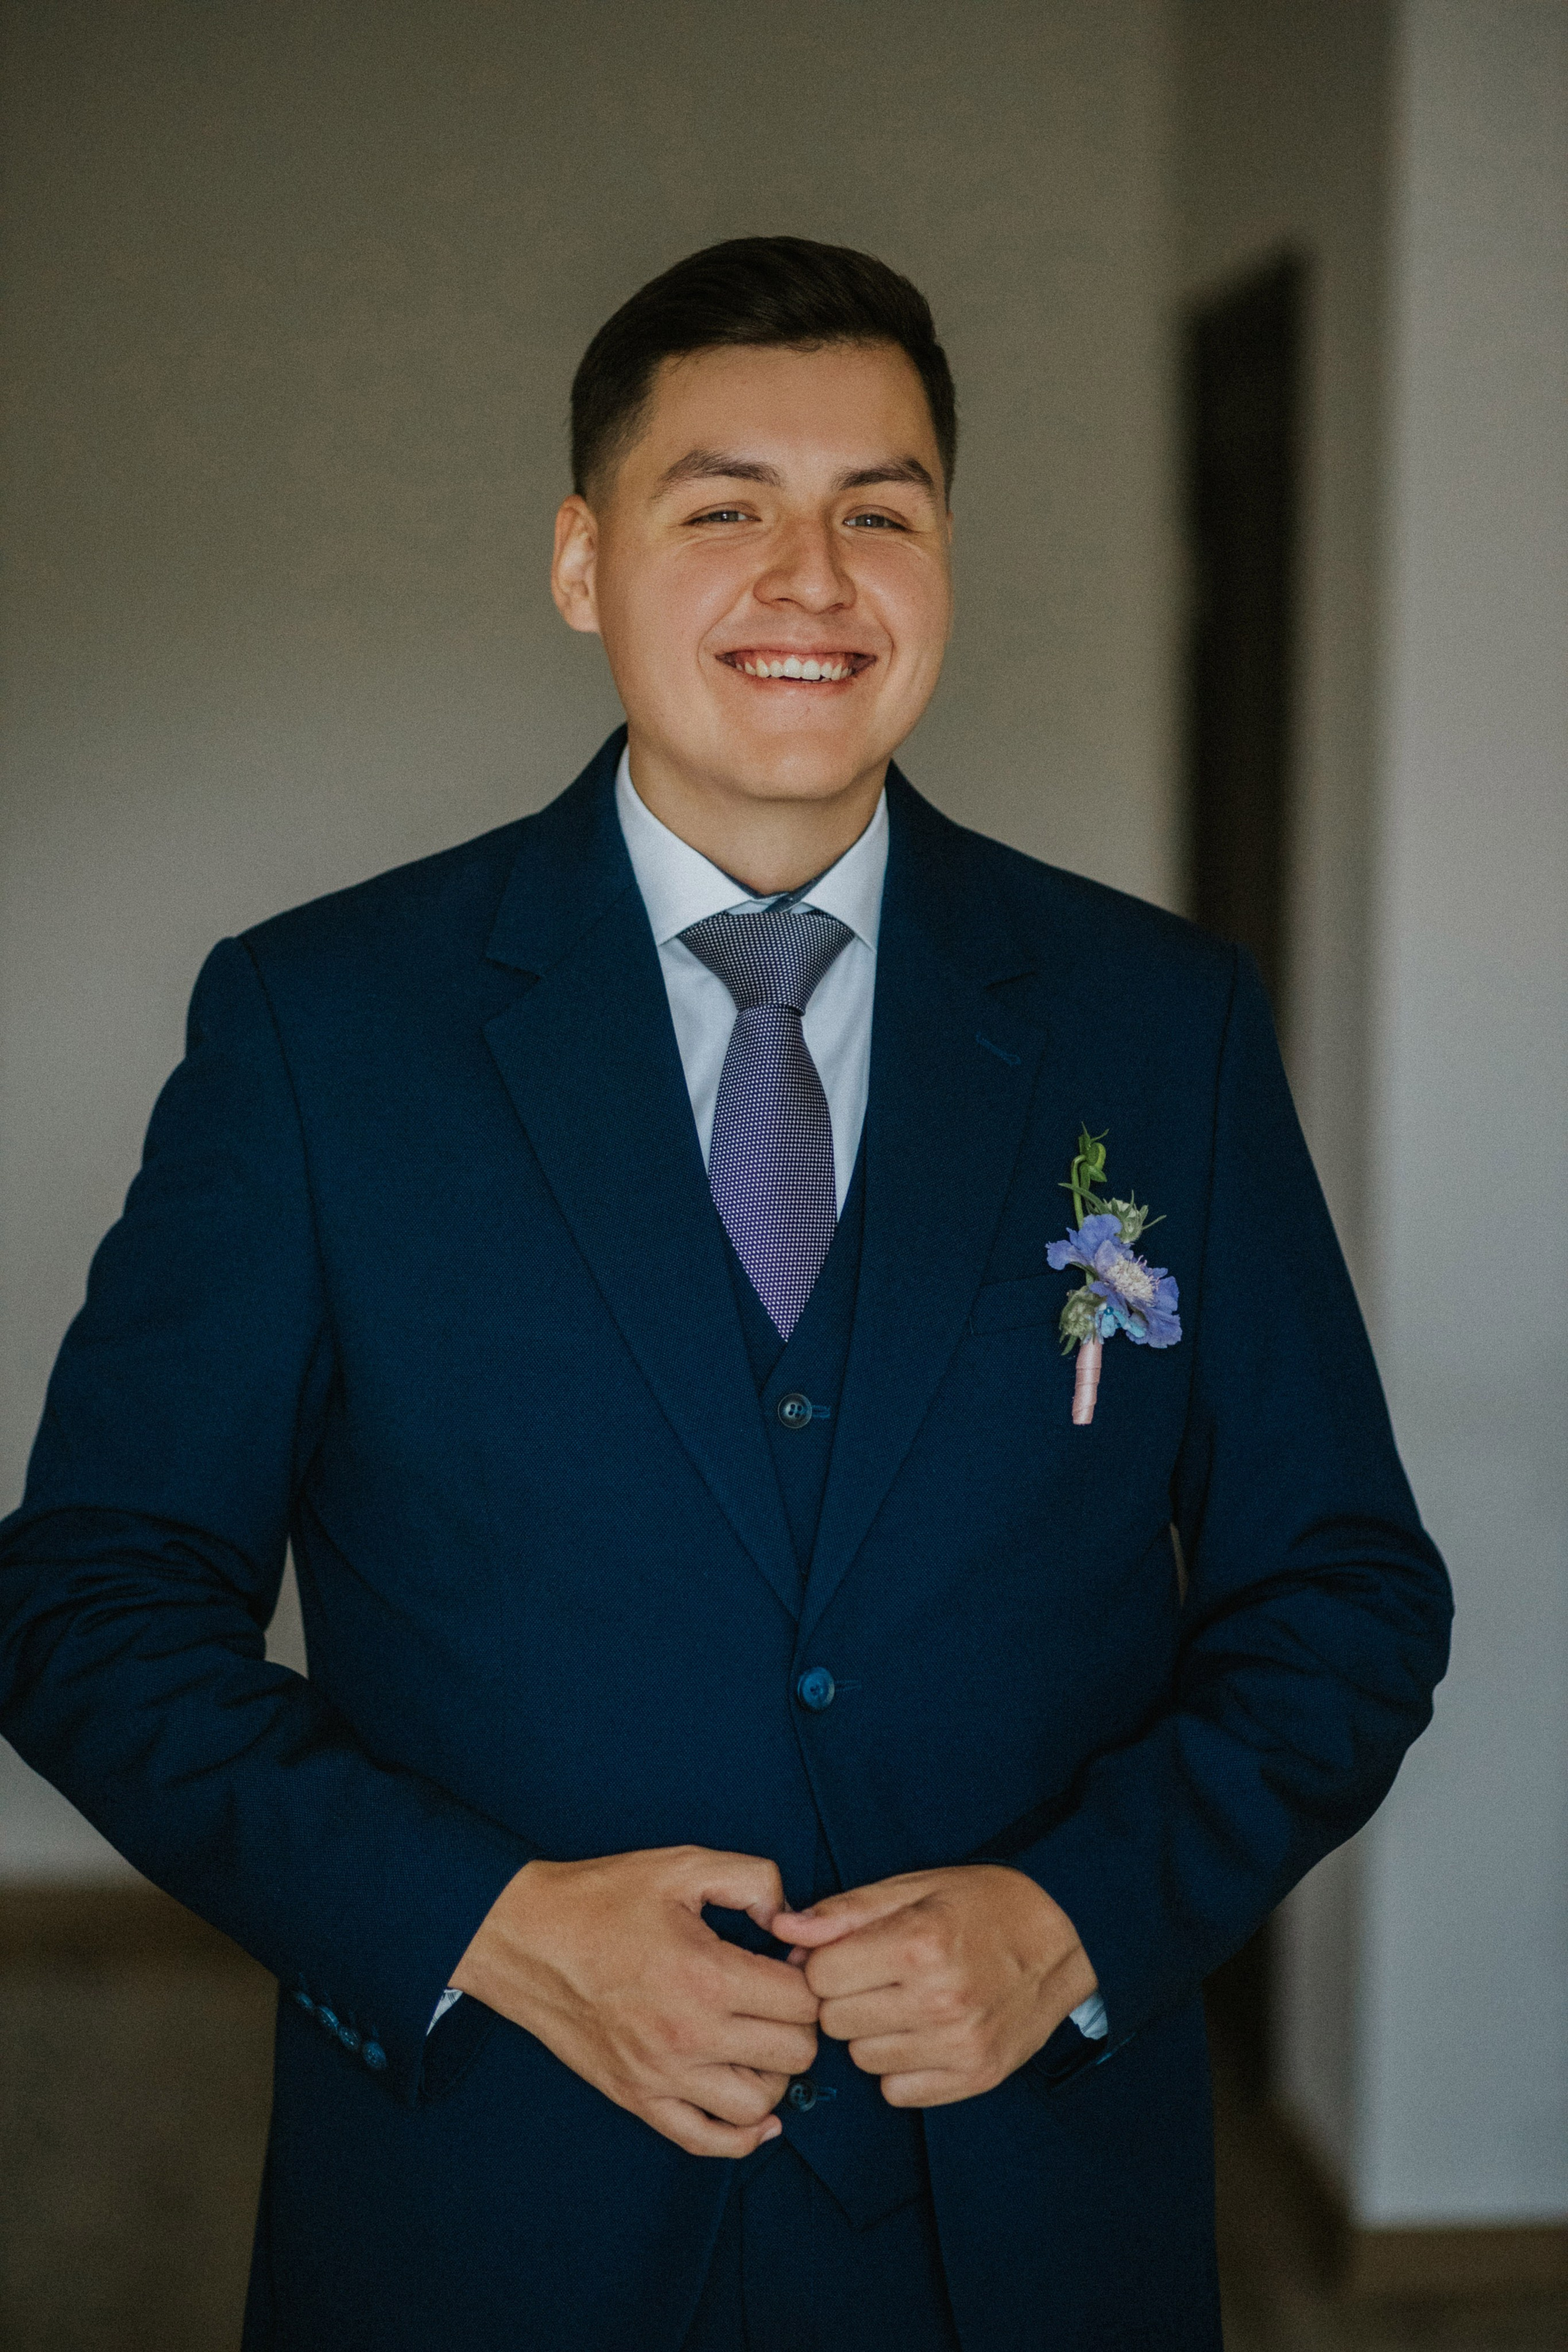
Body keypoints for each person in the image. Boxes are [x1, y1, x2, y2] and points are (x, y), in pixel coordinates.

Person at [0, 238, 1450, 2351]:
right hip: (496, 2210)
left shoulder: (1161, 1025)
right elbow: (89, 1602)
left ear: (944, 560)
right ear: (582, 563)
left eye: (881, 511)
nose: (813, 578)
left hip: (1025, 2219)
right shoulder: (324, 1030)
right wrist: (493, 1928)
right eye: (724, 509)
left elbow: (1345, 1592)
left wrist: (1073, 1919)